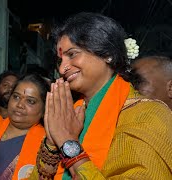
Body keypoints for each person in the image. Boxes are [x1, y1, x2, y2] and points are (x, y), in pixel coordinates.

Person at [31, 12, 172, 179]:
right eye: (60, 61)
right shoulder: (70, 114)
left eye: (72, 54)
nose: (62, 69)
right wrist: (51, 142)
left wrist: (68, 142)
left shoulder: (150, 115)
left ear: (107, 54)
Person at [0, 73, 49, 180]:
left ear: (43, 109)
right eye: (16, 97)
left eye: (30, 101)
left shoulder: (48, 145)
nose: (19, 105)